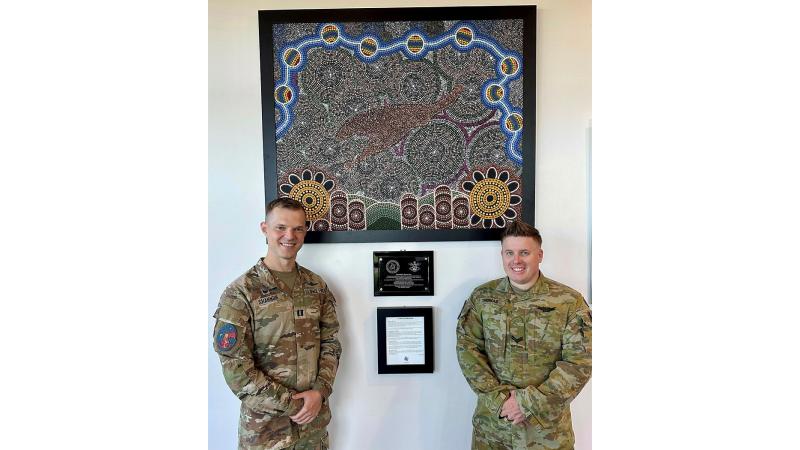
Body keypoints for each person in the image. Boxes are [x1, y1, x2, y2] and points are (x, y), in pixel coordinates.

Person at [212, 197, 342, 450]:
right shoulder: (241, 293)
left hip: (312, 430)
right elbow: (236, 368)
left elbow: (331, 343)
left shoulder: (316, 286)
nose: (289, 236)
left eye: (298, 228)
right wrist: (294, 405)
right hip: (265, 433)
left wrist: (320, 391)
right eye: (280, 227)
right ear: (265, 229)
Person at [456, 220, 591, 450]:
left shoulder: (569, 302)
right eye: (509, 253)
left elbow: (580, 363)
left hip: (547, 433)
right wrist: (500, 400)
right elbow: (468, 351)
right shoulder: (482, 298)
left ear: (539, 255)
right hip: (493, 430)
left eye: (524, 253)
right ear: (502, 255)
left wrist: (527, 403)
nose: (516, 260)